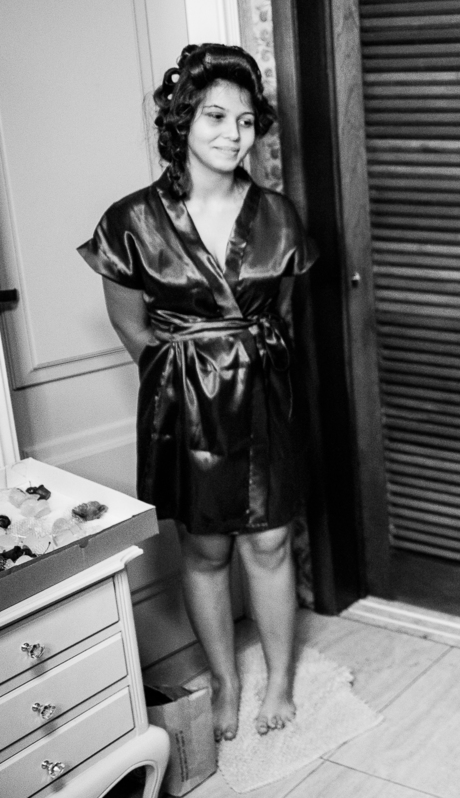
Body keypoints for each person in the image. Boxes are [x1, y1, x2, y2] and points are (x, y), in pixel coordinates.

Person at [79, 43, 315, 741]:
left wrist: (242, 361)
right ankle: (224, 681)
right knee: (206, 550)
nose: (233, 135)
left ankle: (279, 678)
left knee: (271, 542)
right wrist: (188, 377)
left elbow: (283, 315)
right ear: (183, 121)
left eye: (245, 121)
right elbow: (132, 328)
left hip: (263, 395)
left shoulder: (279, 215)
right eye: (215, 116)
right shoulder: (130, 220)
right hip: (184, 403)